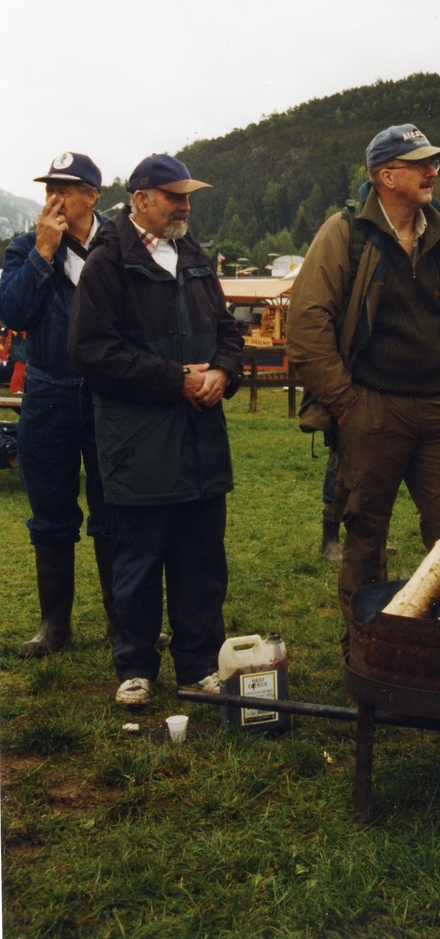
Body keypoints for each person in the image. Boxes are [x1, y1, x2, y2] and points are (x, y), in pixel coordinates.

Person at [287, 123, 440, 645]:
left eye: (433, 163)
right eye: (420, 164)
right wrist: (347, 403)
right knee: (365, 535)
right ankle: (369, 648)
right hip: (372, 407)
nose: (432, 172)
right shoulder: (345, 233)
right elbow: (307, 325)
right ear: (385, 175)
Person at [68, 154, 243, 707]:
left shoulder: (194, 256)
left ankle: (197, 665)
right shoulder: (107, 261)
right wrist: (175, 380)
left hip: (199, 442)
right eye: (174, 197)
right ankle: (135, 668)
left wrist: (222, 373)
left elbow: (228, 336)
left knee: (201, 559)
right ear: (140, 199)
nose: (185, 207)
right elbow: (92, 353)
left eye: (188, 197)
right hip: (137, 440)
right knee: (138, 560)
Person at [0, 153, 116, 657]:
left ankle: (125, 623)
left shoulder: (120, 241)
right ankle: (54, 626)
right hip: (47, 394)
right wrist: (42, 254)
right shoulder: (25, 246)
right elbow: (12, 311)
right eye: (49, 187)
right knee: (49, 512)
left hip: (111, 396)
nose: (54, 198)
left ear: (91, 195)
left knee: (116, 511)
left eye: (65, 189)